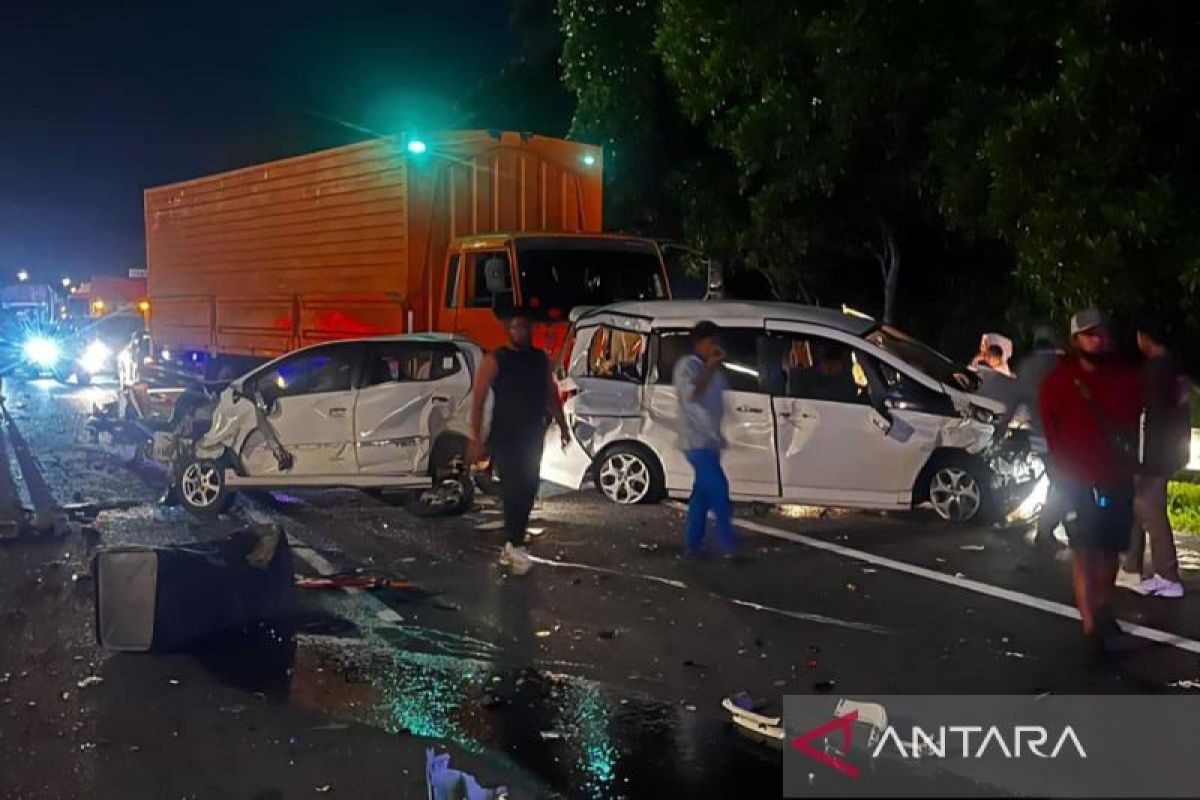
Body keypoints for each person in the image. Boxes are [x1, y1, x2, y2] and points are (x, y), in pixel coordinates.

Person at [1039, 309, 1143, 659]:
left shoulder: (1125, 377)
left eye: (1100, 333)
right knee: (1084, 551)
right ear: (1075, 340)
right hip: (1078, 483)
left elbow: (1136, 420)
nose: (1096, 340)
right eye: (1088, 334)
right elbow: (1050, 430)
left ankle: (1101, 608)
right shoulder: (1059, 381)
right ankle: (1091, 627)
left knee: (1111, 551)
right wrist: (1061, 472)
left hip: (1116, 479)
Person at [469, 311, 570, 576]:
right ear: (508, 330)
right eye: (515, 327)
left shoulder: (539, 359)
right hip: (505, 434)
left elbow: (550, 394)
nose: (520, 332)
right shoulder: (496, 359)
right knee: (515, 486)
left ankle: (515, 537)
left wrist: (563, 425)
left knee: (529, 486)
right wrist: (476, 437)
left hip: (532, 433)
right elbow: (478, 399)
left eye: (525, 327)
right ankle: (514, 542)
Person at [1115, 314, 1191, 597]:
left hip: (1154, 455)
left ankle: (1168, 576)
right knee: (1140, 508)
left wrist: (1142, 459)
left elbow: (1147, 418)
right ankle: (1131, 568)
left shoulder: (1155, 370)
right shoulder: (1174, 369)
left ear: (1145, 338)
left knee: (1149, 509)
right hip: (1169, 452)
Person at [997, 327, 1065, 547]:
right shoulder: (1062, 364)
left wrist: (1000, 430)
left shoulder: (1026, 367)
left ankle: (1051, 530)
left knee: (1061, 483)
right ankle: (1048, 531)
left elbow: (1013, 402)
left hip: (1040, 438)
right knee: (1065, 485)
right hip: (1065, 437)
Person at [674, 321, 736, 555]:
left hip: (709, 441)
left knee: (701, 495)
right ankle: (728, 546)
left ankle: (693, 544)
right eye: (712, 341)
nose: (715, 346)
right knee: (719, 489)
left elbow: (716, 405)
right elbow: (692, 394)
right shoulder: (688, 366)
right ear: (700, 342)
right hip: (695, 441)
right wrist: (710, 367)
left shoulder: (714, 371)